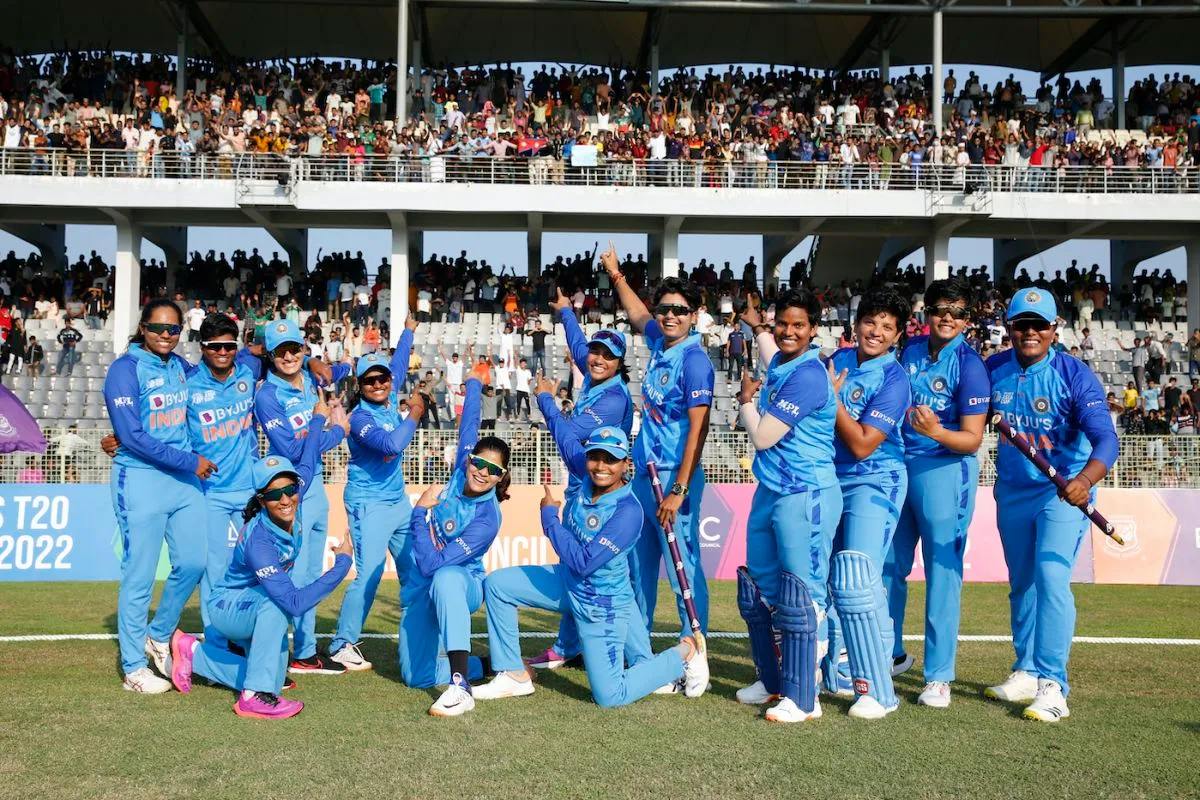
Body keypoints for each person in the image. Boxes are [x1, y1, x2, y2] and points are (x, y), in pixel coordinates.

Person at [475, 376, 708, 706]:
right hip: (568, 586)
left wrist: (549, 519)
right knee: (498, 584)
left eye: (611, 459)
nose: (601, 466)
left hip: (601, 603)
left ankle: (687, 651)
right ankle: (513, 673)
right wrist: (545, 399)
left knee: (610, 696)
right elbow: (563, 434)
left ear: (625, 464)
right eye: (595, 456)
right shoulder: (585, 473)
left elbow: (584, 561)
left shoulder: (628, 512)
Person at [164, 415, 355, 719]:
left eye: (290, 490)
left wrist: (318, 418)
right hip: (230, 608)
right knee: (277, 607)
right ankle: (252, 697)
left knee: (274, 679)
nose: (285, 500)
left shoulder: (296, 494)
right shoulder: (260, 540)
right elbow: (293, 603)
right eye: (273, 495)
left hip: (254, 602)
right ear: (261, 499)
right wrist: (342, 564)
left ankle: (193, 654)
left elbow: (308, 454)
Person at [984, 289, 1118, 722]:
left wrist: (1084, 480)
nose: (1030, 333)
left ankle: (1053, 685)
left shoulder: (1074, 374)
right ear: (1009, 328)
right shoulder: (993, 370)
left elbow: (1106, 440)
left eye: (1039, 325)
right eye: (1022, 324)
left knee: (1050, 577)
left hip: (1063, 493)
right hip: (1012, 492)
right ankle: (1024, 668)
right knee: (1021, 583)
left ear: (1054, 328)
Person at [600, 243, 715, 649]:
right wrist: (616, 274)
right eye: (665, 308)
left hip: (672, 480)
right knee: (639, 566)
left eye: (679, 310)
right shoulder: (660, 345)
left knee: (683, 567)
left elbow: (698, 431)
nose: (669, 316)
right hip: (643, 477)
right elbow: (638, 315)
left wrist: (679, 489)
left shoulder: (694, 360)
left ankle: (694, 650)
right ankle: (637, 649)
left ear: (694, 315)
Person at [734, 292, 842, 723]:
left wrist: (744, 401)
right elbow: (769, 348)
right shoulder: (780, 360)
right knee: (761, 587)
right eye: (783, 324)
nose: (789, 331)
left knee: (804, 593)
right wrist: (756, 325)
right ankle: (775, 678)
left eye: (799, 325)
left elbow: (761, 437)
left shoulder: (810, 375)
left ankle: (805, 694)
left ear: (814, 329)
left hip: (806, 491)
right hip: (772, 489)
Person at [884, 279, 991, 709]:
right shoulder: (909, 350)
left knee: (942, 573)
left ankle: (939, 676)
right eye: (939, 308)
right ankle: (887, 656)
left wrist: (936, 432)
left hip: (946, 470)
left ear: (967, 320)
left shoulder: (970, 365)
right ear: (924, 313)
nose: (947, 317)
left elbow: (973, 438)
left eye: (957, 311)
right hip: (901, 466)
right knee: (889, 566)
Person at [103, 299, 213, 693]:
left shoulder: (181, 367)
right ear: (142, 328)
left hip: (183, 483)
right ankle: (134, 667)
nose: (166, 336)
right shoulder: (124, 370)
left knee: (195, 562)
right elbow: (132, 436)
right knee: (140, 575)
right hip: (142, 479)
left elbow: (216, 380)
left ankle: (159, 632)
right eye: (158, 328)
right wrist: (188, 460)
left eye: (174, 330)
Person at [528, 287, 635, 671]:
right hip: (588, 488)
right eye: (596, 352)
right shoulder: (594, 378)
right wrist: (566, 312)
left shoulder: (613, 399)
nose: (598, 359)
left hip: (603, 491)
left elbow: (571, 441)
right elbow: (578, 348)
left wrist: (544, 400)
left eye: (608, 355)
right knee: (578, 569)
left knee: (605, 574)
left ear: (621, 362)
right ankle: (567, 646)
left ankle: (633, 654)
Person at [823, 287, 912, 719]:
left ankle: (879, 687)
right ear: (856, 324)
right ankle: (841, 673)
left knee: (859, 575)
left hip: (875, 479)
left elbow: (861, 444)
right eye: (870, 322)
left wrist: (831, 398)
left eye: (887, 327)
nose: (876, 332)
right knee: (831, 580)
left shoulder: (895, 379)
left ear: (898, 335)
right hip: (829, 479)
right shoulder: (836, 361)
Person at [401, 377, 505, 716]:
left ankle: (460, 685)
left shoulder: (488, 518)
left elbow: (435, 565)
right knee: (415, 677)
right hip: (425, 580)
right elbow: (470, 424)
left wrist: (419, 512)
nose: (481, 471)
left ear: (500, 477)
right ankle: (479, 664)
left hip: (465, 584)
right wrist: (473, 385)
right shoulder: (462, 466)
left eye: (493, 470)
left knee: (445, 575)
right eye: (479, 462)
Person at [254, 319, 352, 676]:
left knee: (310, 571)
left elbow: (338, 368)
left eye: (295, 349)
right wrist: (334, 431)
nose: (289, 356)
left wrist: (337, 367)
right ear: (271, 355)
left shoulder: (311, 382)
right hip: (290, 493)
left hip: (316, 490)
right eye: (281, 351)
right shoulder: (267, 395)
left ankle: (306, 651)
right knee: (293, 574)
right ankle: (283, 649)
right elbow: (293, 448)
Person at [328, 315, 424, 670]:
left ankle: (419, 632)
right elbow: (391, 444)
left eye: (383, 378)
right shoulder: (360, 419)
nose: (379, 383)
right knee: (369, 572)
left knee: (415, 570)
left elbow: (398, 363)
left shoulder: (388, 391)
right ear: (361, 384)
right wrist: (415, 413)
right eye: (370, 380)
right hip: (368, 503)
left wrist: (409, 330)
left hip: (397, 501)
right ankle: (342, 644)